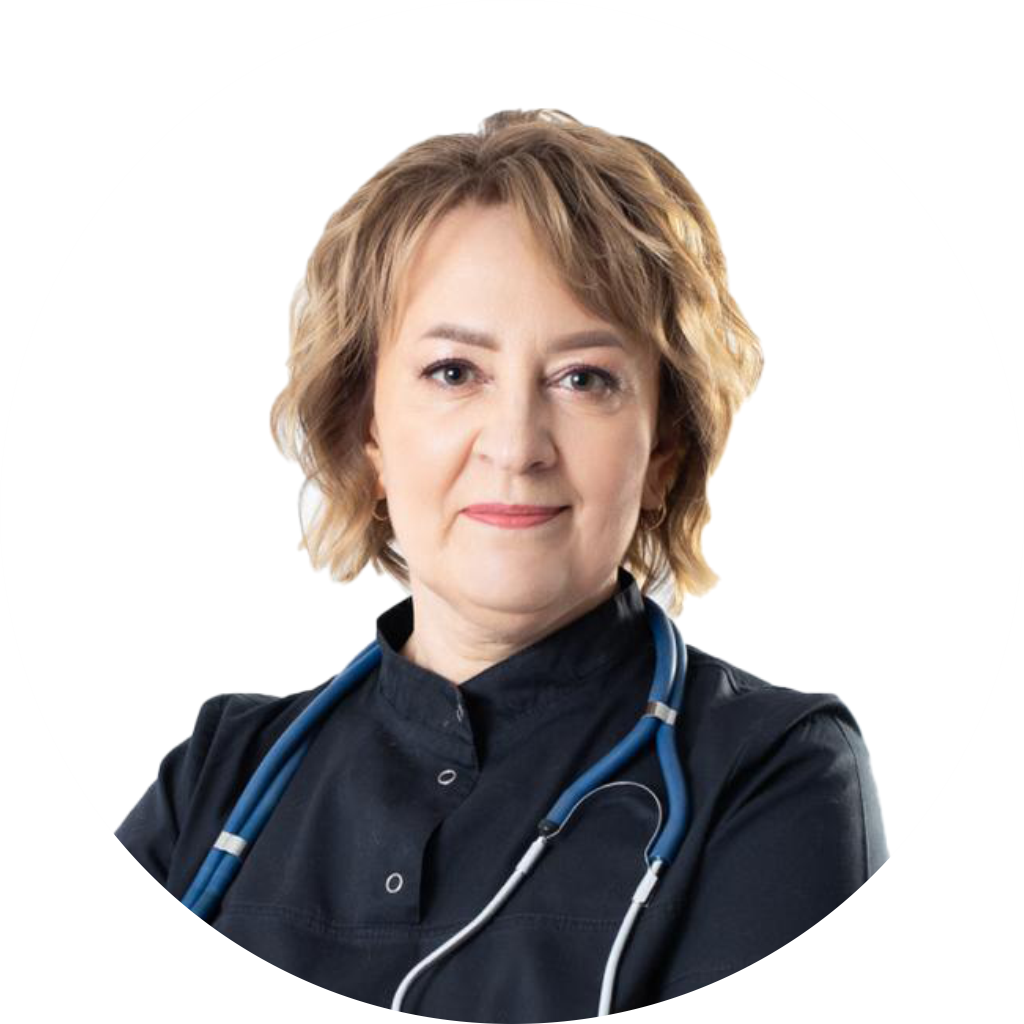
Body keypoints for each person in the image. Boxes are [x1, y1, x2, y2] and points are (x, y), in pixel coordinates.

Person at [114, 108, 888, 1022]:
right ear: (367, 433)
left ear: (663, 452)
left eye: (583, 379)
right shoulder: (222, 774)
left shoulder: (774, 776)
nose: (516, 446)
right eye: (454, 372)